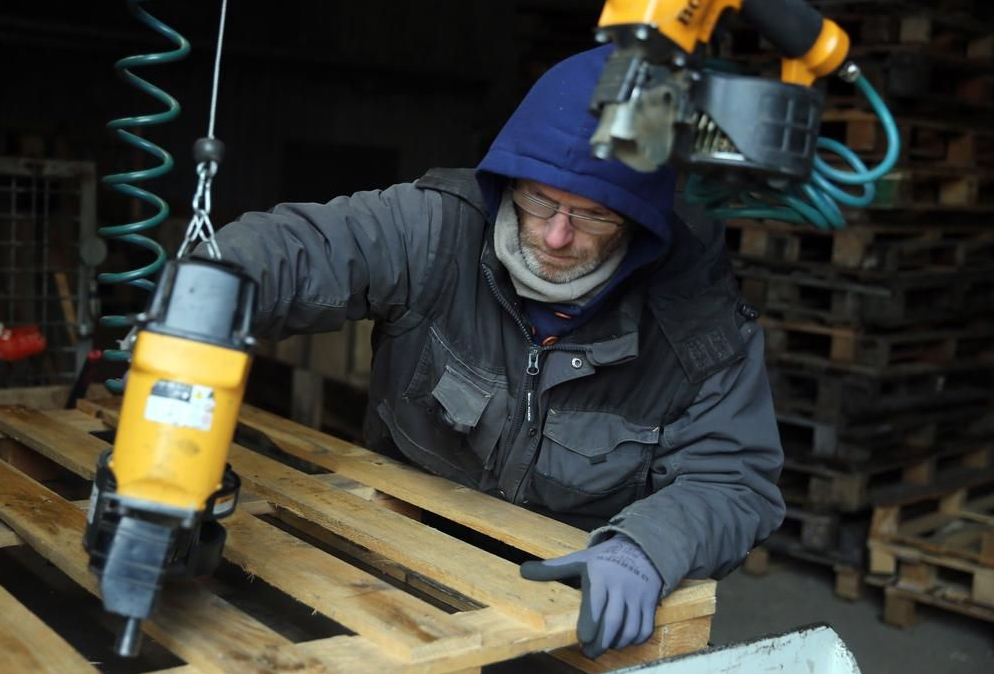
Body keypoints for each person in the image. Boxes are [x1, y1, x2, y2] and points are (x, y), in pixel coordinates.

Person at [197, 45, 785, 659]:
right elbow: (302, 248)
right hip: (394, 569)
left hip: (561, 605)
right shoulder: (435, 231)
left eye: (593, 216)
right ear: (507, 179)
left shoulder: (698, 326)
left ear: (640, 225)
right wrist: (205, 292)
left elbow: (735, 480)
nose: (557, 236)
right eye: (539, 200)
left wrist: (650, 545)